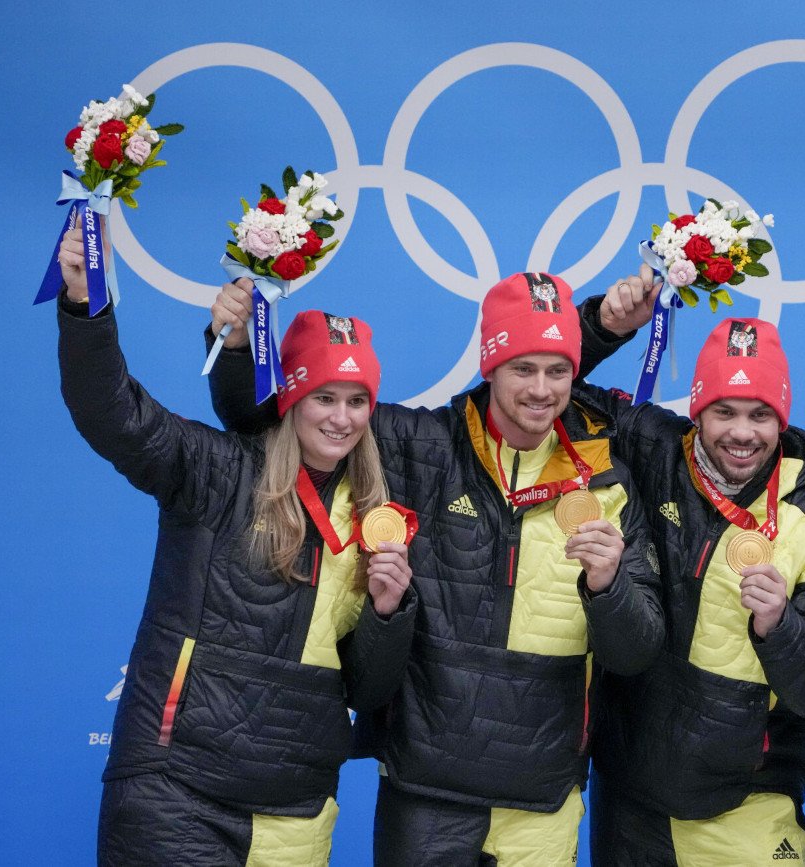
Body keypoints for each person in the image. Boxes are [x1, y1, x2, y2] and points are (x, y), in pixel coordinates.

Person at [208, 270, 664, 865]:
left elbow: (634, 654)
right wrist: (237, 348)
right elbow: (274, 418)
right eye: (521, 368)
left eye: (559, 371)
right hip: (425, 791)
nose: (542, 388)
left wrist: (609, 589)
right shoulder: (419, 446)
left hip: (544, 796)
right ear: (489, 366)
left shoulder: (606, 477)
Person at [54, 226, 416, 865]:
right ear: (290, 399)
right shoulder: (213, 469)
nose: (340, 417)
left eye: (357, 401)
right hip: (176, 796)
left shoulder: (377, 516)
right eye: (323, 397)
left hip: (297, 811)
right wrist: (87, 307)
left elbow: (366, 689)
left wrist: (389, 612)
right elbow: (110, 411)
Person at [570, 305, 805, 864]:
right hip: (633, 802)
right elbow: (551, 389)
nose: (741, 433)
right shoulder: (654, 446)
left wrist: (781, 628)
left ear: (783, 419)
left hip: (748, 805)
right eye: (723, 411)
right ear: (698, 410)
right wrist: (607, 325)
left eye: (760, 414)